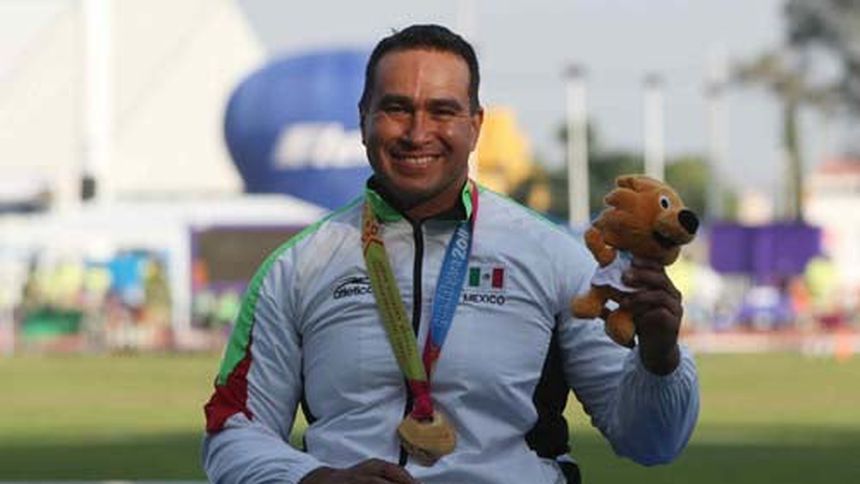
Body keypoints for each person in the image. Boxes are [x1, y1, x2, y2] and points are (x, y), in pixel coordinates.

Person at [202, 24, 699, 484]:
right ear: (363, 119)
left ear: (475, 125)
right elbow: (233, 431)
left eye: (442, 111)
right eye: (397, 108)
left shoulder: (553, 257)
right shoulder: (296, 267)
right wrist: (317, 479)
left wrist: (659, 359)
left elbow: (652, 443)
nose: (418, 133)